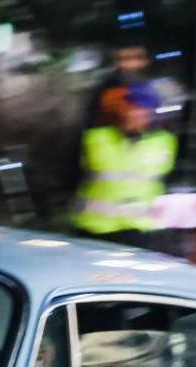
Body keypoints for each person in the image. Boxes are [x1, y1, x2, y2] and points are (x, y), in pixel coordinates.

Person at [72, 84, 178, 246]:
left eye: (145, 110)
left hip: (140, 232)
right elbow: (72, 177)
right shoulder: (95, 139)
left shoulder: (164, 142)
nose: (138, 114)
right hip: (95, 230)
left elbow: (165, 183)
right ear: (123, 108)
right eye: (134, 107)